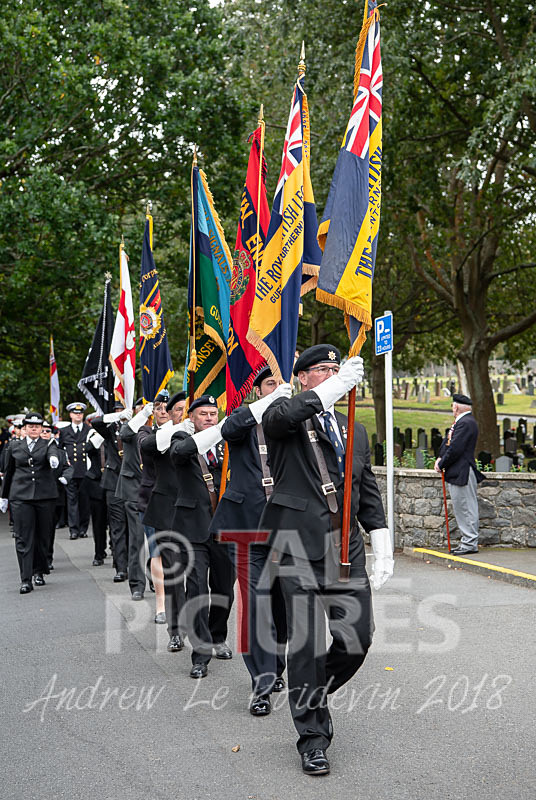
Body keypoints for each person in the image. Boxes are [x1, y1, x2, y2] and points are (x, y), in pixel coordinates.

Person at [260, 344, 394, 776]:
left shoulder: (351, 428)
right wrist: (335, 386)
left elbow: (365, 489)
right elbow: (281, 419)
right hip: (295, 545)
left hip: (343, 548)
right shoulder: (282, 415)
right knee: (304, 644)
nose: (333, 374)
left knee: (359, 638)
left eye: (337, 369)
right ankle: (313, 739)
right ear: (302, 378)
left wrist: (381, 537)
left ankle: (310, 691)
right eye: (321, 370)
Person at [210, 367, 290, 716]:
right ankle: (261, 682)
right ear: (257, 390)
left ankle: (277, 665)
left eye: (282, 384)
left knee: (282, 605)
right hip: (245, 526)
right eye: (270, 384)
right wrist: (271, 400)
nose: (277, 389)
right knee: (255, 604)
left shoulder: (294, 421)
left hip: (287, 527)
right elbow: (228, 428)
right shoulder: (243, 419)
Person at [169, 395, 235, 678]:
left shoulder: (227, 444)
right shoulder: (180, 440)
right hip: (193, 528)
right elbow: (179, 453)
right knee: (197, 589)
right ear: (191, 418)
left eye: (213, 413)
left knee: (224, 589)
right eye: (203, 414)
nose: (209, 417)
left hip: (225, 527)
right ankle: (201, 654)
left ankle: (218, 635)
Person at [1, 412, 72, 593]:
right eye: (30, 426)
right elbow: (9, 472)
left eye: (37, 427)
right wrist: (4, 496)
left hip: (44, 496)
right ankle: (26, 578)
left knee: (42, 536)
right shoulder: (14, 446)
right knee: (23, 538)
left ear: (41, 429)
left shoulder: (48, 444)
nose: (34, 429)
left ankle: (39, 570)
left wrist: (54, 460)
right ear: (24, 428)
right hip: (21, 497)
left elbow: (52, 453)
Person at [143, 391, 190, 648]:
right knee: (174, 574)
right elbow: (147, 446)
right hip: (168, 511)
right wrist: (176, 428)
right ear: (169, 414)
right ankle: (176, 630)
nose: (184, 413)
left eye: (186, 408)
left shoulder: (209, 433)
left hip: (201, 513)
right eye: (178, 409)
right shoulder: (159, 437)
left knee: (202, 576)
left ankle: (210, 631)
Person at [434, 393, 484, 555]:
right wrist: (441, 458)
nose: (452, 408)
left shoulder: (466, 423)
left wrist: (442, 463)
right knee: (461, 507)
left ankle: (469, 543)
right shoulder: (461, 422)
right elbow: (447, 443)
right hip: (456, 470)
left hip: (462, 470)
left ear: (456, 407)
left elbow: (456, 448)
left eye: (452, 406)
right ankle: (467, 541)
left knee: (466, 507)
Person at [137, 389, 171, 623]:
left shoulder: (184, 432)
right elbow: (147, 445)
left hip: (180, 499)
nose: (163, 412)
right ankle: (161, 605)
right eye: (158, 408)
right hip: (152, 499)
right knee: (157, 552)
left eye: (167, 408)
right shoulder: (145, 432)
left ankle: (180, 598)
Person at [116, 398, 152, 600]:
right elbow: (125, 433)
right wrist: (143, 415)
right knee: (137, 539)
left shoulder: (158, 429)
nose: (158, 411)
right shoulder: (130, 428)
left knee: (157, 540)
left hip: (156, 491)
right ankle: (137, 584)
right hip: (134, 491)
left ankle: (157, 579)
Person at [92, 403, 132, 582]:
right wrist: (115, 417)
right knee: (117, 527)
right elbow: (96, 422)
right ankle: (121, 567)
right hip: (113, 482)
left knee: (134, 529)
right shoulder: (110, 431)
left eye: (122, 410)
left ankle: (134, 565)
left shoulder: (137, 427)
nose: (120, 414)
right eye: (117, 411)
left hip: (133, 482)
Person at [58, 402, 91, 539]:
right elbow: (60, 450)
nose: (78, 415)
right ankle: (74, 529)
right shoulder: (65, 431)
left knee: (84, 501)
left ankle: (83, 528)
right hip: (71, 471)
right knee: (71, 501)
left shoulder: (89, 430)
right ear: (71, 414)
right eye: (75, 413)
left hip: (85, 470)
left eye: (80, 413)